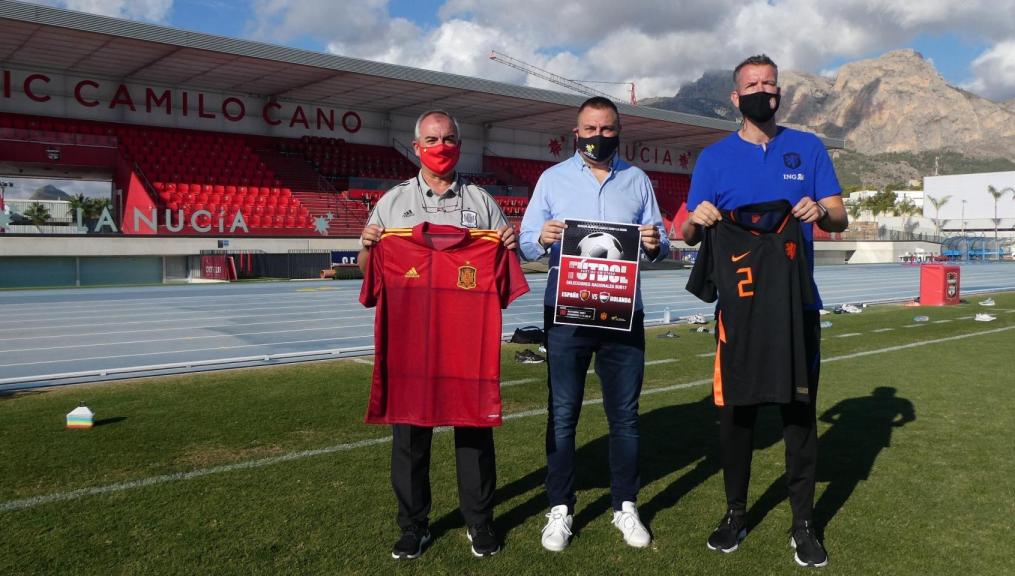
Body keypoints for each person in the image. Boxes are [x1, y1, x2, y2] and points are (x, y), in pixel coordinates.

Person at [682, 54, 849, 568]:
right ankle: (735, 513)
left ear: (780, 92)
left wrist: (821, 211)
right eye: (752, 84)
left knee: (799, 414)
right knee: (737, 415)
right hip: (739, 313)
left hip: (797, 306)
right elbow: (686, 233)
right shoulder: (714, 158)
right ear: (736, 97)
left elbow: (839, 216)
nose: (762, 90)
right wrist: (698, 218)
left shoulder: (808, 147)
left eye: (770, 83)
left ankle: (803, 523)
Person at [357, 110, 518, 560]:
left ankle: (479, 522)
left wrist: (507, 247)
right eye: (431, 139)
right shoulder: (392, 203)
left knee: (474, 432)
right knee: (409, 436)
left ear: (459, 146)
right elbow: (369, 275)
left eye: (448, 139)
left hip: (466, 346)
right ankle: (413, 526)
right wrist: (369, 247)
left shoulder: (482, 202)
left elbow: (506, 275)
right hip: (411, 344)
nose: (440, 146)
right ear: (416, 147)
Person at [519, 96, 669, 552]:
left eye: (606, 129)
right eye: (590, 129)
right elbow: (526, 242)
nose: (598, 137)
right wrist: (541, 236)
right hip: (567, 313)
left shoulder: (638, 180)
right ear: (576, 132)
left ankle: (625, 504)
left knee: (625, 415)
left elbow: (660, 243)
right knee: (563, 413)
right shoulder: (552, 179)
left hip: (623, 313)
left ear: (618, 131)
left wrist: (654, 242)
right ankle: (560, 506)